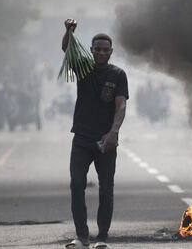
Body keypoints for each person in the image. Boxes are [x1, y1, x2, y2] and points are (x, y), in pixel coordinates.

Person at [62, 19, 129, 249]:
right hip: (81, 138)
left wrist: (113, 133)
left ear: (111, 52)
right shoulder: (83, 68)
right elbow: (66, 50)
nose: (101, 53)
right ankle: (82, 236)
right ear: (91, 51)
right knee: (77, 183)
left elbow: (121, 107)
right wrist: (68, 32)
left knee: (106, 188)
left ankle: (103, 237)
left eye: (105, 50)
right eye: (97, 49)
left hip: (105, 141)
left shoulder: (118, 75)